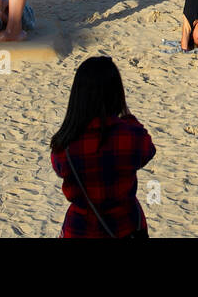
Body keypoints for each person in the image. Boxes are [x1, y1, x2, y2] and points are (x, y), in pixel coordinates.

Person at [50, 57, 156, 238]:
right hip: (125, 225)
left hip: (80, 228)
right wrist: (126, 115)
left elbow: (60, 170)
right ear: (116, 94)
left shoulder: (65, 143)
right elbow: (148, 150)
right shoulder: (129, 135)